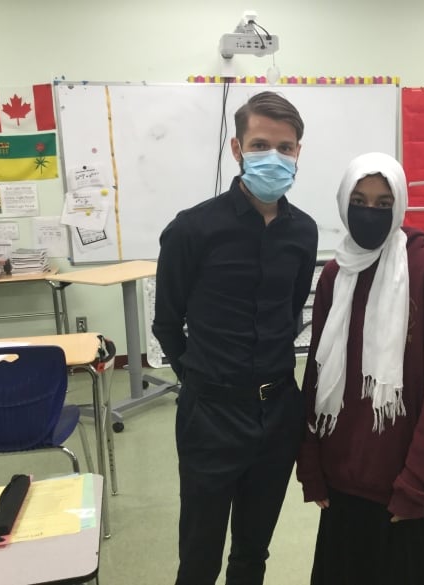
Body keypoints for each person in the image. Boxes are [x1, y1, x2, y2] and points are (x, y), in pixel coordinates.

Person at [152, 91, 318, 585]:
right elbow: (167, 323)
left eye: (286, 147)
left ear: (298, 152)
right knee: (200, 555)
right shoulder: (192, 230)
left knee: (253, 552)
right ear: (236, 149)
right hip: (211, 415)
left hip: (277, 412)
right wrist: (202, 378)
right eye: (261, 144)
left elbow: (290, 314)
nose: (275, 156)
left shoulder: (304, 232)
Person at [296, 152, 424, 585]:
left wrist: (416, 487)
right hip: (342, 487)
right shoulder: (335, 275)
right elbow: (317, 376)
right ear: (342, 203)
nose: (369, 213)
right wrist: (313, 469)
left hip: (401, 492)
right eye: (358, 200)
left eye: (382, 203)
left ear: (399, 207)